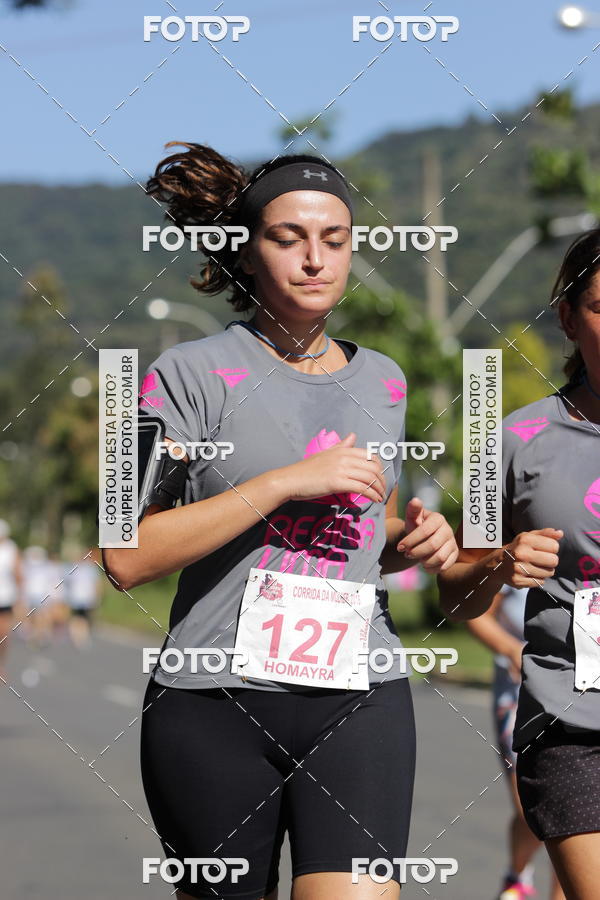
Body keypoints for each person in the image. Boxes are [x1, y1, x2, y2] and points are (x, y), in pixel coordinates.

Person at [103, 145, 459, 900]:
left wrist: (415, 538)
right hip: (212, 702)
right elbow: (123, 554)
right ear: (246, 249)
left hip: (360, 689)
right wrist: (285, 482)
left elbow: (366, 533)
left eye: (334, 239)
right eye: (288, 238)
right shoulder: (180, 375)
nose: (315, 259)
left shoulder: (387, 379)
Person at [437, 228, 600, 900]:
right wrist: (498, 564)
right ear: (569, 318)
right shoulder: (508, 442)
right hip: (572, 725)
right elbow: (454, 596)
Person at [466, 584, 565, 900]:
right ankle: (518, 875)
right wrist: (511, 650)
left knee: (576, 815)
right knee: (531, 808)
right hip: (521, 697)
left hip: (583, 697)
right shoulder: (518, 555)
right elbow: (474, 613)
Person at [64, 548, 102, 648]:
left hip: (84, 597)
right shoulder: (86, 568)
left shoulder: (87, 568)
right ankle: (79, 637)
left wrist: (97, 595)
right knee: (80, 617)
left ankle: (78, 636)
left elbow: (96, 583)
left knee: (81, 617)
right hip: (79, 597)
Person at [0, 519, 23, 680]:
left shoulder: (11, 549)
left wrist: (20, 597)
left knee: (3, 633)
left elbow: (18, 574)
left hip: (5, 598)